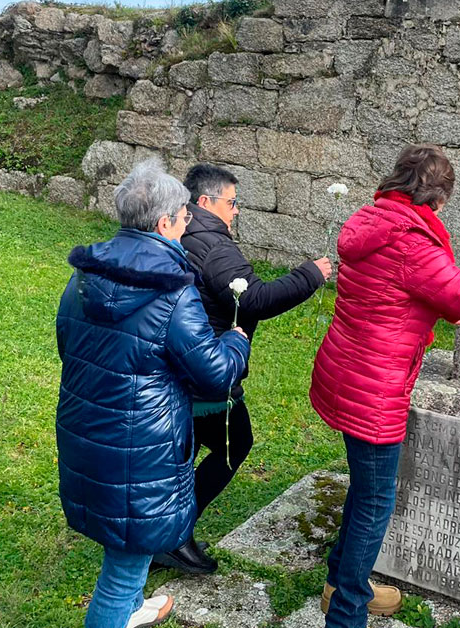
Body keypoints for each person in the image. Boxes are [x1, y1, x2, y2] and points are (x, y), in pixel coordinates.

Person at [308, 144, 460, 628]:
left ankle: (341, 582)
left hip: (346, 369)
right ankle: (345, 614)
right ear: (439, 200)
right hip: (375, 386)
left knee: (365, 490)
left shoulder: (372, 220)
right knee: (375, 500)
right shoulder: (412, 244)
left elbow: (429, 296)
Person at [55, 160, 251, 628]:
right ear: (165, 223)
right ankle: (117, 611)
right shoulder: (172, 290)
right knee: (126, 562)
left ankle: (128, 609)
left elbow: (68, 344)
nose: (188, 225)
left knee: (125, 546)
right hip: (142, 447)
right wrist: (236, 341)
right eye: (184, 217)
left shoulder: (85, 274)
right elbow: (214, 373)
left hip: (88, 430)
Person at [149, 164, 332, 574]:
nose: (235, 211)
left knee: (185, 453)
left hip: (178, 371)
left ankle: (162, 533)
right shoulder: (216, 246)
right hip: (209, 373)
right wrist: (310, 274)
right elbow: (255, 300)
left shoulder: (180, 236)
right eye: (232, 203)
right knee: (235, 443)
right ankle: (173, 536)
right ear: (204, 202)